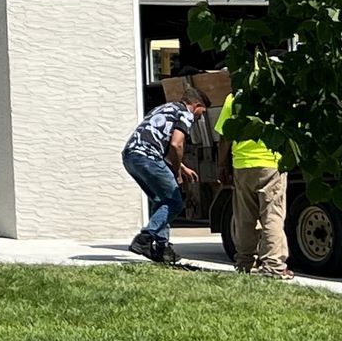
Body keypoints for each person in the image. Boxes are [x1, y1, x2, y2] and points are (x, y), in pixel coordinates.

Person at [121, 85, 210, 264]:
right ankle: (144, 239)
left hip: (131, 157)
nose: (200, 117)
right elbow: (177, 144)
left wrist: (182, 167)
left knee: (161, 200)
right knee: (174, 202)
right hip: (148, 157)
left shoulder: (164, 108)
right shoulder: (185, 113)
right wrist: (177, 172)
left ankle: (163, 248)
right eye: (202, 113)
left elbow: (161, 141)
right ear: (196, 105)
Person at [217, 90, 292, 280]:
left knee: (244, 217)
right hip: (271, 162)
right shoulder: (279, 94)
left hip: (242, 164)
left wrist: (221, 164)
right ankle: (273, 265)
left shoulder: (233, 97)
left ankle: (244, 262)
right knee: (272, 215)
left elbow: (225, 134)